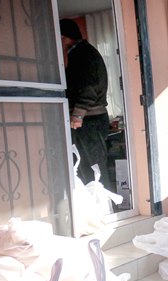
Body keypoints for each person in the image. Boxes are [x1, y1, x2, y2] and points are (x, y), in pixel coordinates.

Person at [60, 18, 112, 191]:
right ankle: (98, 206)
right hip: (91, 119)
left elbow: (88, 87)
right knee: (88, 165)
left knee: (93, 166)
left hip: (90, 120)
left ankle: (103, 208)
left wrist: (77, 114)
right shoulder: (83, 52)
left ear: (64, 38)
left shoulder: (83, 55)